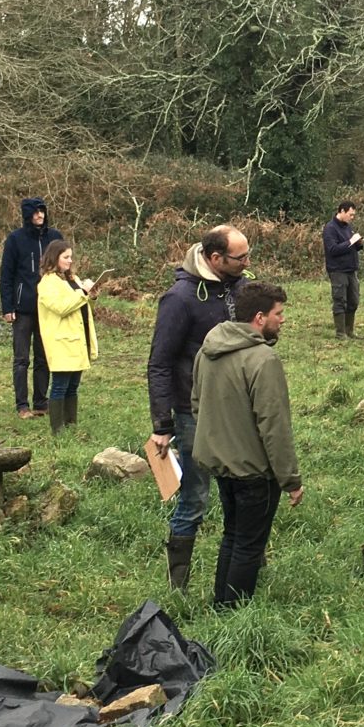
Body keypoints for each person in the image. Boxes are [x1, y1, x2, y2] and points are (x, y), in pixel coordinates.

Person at [147, 225, 251, 590]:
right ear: (215, 258)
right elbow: (159, 362)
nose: (247, 263)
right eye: (241, 258)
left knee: (242, 490)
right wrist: (162, 423)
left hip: (236, 409)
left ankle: (244, 571)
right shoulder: (179, 299)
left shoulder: (240, 287)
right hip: (194, 413)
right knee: (194, 497)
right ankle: (179, 586)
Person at [190, 281, 303, 607]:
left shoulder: (207, 349)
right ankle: (234, 615)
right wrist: (290, 480)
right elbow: (275, 426)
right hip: (254, 471)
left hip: (221, 465)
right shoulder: (263, 359)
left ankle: (220, 605)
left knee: (232, 535)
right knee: (249, 544)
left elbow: (197, 404)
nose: (283, 320)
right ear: (258, 318)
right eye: (278, 314)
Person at [0, 197, 62, 419]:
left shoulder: (54, 237)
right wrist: (8, 306)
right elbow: (6, 275)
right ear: (27, 215)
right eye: (35, 212)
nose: (40, 215)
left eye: (42, 211)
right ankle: (22, 405)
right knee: (21, 359)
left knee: (44, 358)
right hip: (22, 307)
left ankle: (41, 402)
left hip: (48, 307)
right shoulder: (15, 239)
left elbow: (64, 268)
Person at [36, 239, 97, 437]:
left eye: (71, 256)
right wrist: (83, 293)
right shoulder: (47, 283)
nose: (70, 261)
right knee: (60, 386)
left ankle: (71, 424)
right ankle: (58, 430)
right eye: (66, 257)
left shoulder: (72, 279)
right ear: (54, 258)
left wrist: (91, 295)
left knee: (73, 386)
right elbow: (61, 308)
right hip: (61, 341)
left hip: (78, 339)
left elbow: (82, 306)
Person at [323, 199, 364, 338]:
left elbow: (351, 246)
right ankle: (340, 333)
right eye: (350, 215)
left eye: (353, 215)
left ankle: (350, 331)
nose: (352, 218)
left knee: (354, 300)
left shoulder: (347, 227)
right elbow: (333, 249)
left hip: (351, 269)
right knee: (340, 300)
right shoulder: (330, 228)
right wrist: (350, 242)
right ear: (342, 211)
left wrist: (358, 243)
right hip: (337, 270)